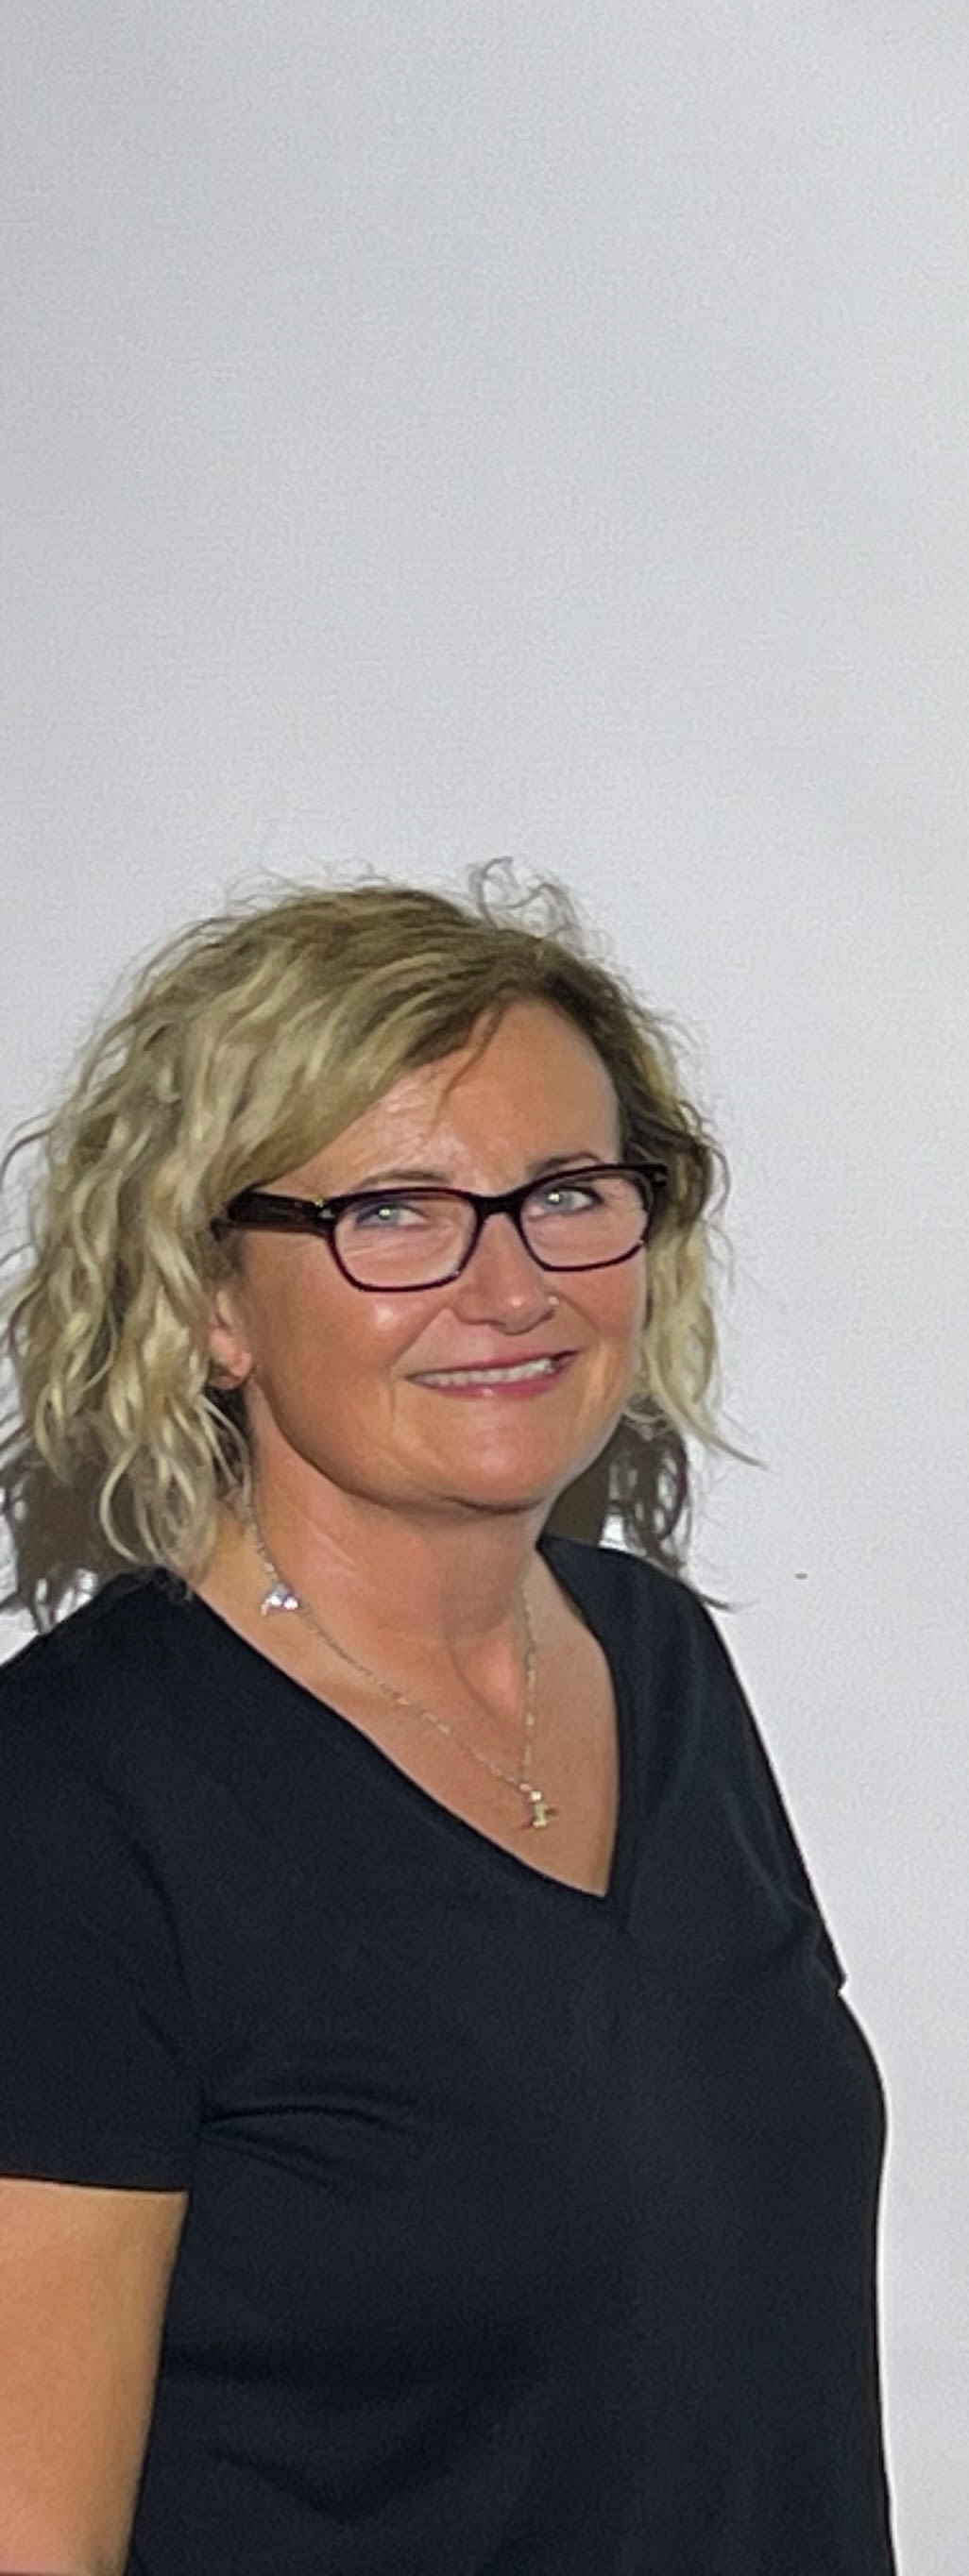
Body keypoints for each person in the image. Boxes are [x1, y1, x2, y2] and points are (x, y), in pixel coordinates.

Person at [0, 874, 893, 2575]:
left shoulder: (659, 1665)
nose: (511, 1287)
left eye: (565, 1193)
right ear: (207, 1298)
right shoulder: (67, 1806)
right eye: (395, 1213)